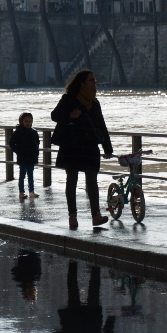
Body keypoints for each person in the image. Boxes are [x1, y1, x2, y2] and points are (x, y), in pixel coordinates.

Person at [51, 70, 113, 229]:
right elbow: (55, 115)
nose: (95, 84)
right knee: (72, 180)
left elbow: (101, 125)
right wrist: (70, 115)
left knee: (92, 181)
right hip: (72, 144)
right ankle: (73, 216)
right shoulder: (69, 99)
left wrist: (107, 147)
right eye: (91, 81)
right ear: (82, 83)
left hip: (90, 145)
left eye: (95, 81)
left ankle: (96, 216)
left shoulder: (94, 102)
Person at [11, 111, 40, 200]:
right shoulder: (18, 132)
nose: (28, 123)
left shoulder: (34, 132)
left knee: (31, 174)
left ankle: (31, 191)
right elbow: (11, 143)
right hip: (22, 157)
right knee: (22, 175)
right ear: (22, 122)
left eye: (30, 121)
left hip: (31, 157)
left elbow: (37, 142)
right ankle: (21, 192)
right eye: (26, 121)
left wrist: (36, 152)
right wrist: (18, 151)